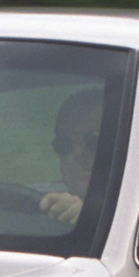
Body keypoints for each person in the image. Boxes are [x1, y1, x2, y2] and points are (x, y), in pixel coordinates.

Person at [38, 86, 101, 223]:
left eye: (92, 141)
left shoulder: (137, 209)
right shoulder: (44, 205)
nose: (77, 153)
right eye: (64, 144)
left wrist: (87, 219)